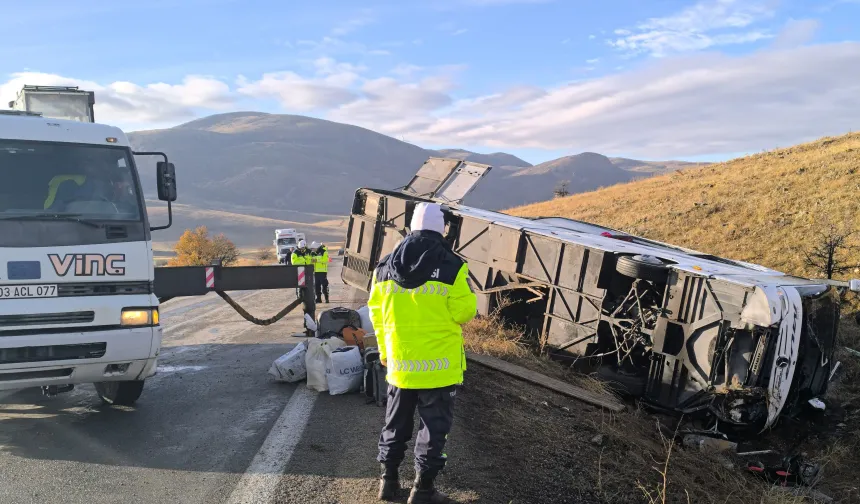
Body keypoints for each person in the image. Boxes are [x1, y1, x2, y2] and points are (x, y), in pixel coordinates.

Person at [368, 202, 477, 504]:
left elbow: (376, 312)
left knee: (395, 425)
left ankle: (388, 484)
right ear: (442, 229)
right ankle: (423, 490)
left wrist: (384, 350)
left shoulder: (385, 266)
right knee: (433, 430)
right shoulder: (453, 265)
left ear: (412, 227)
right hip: (439, 369)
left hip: (400, 365)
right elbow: (465, 312)